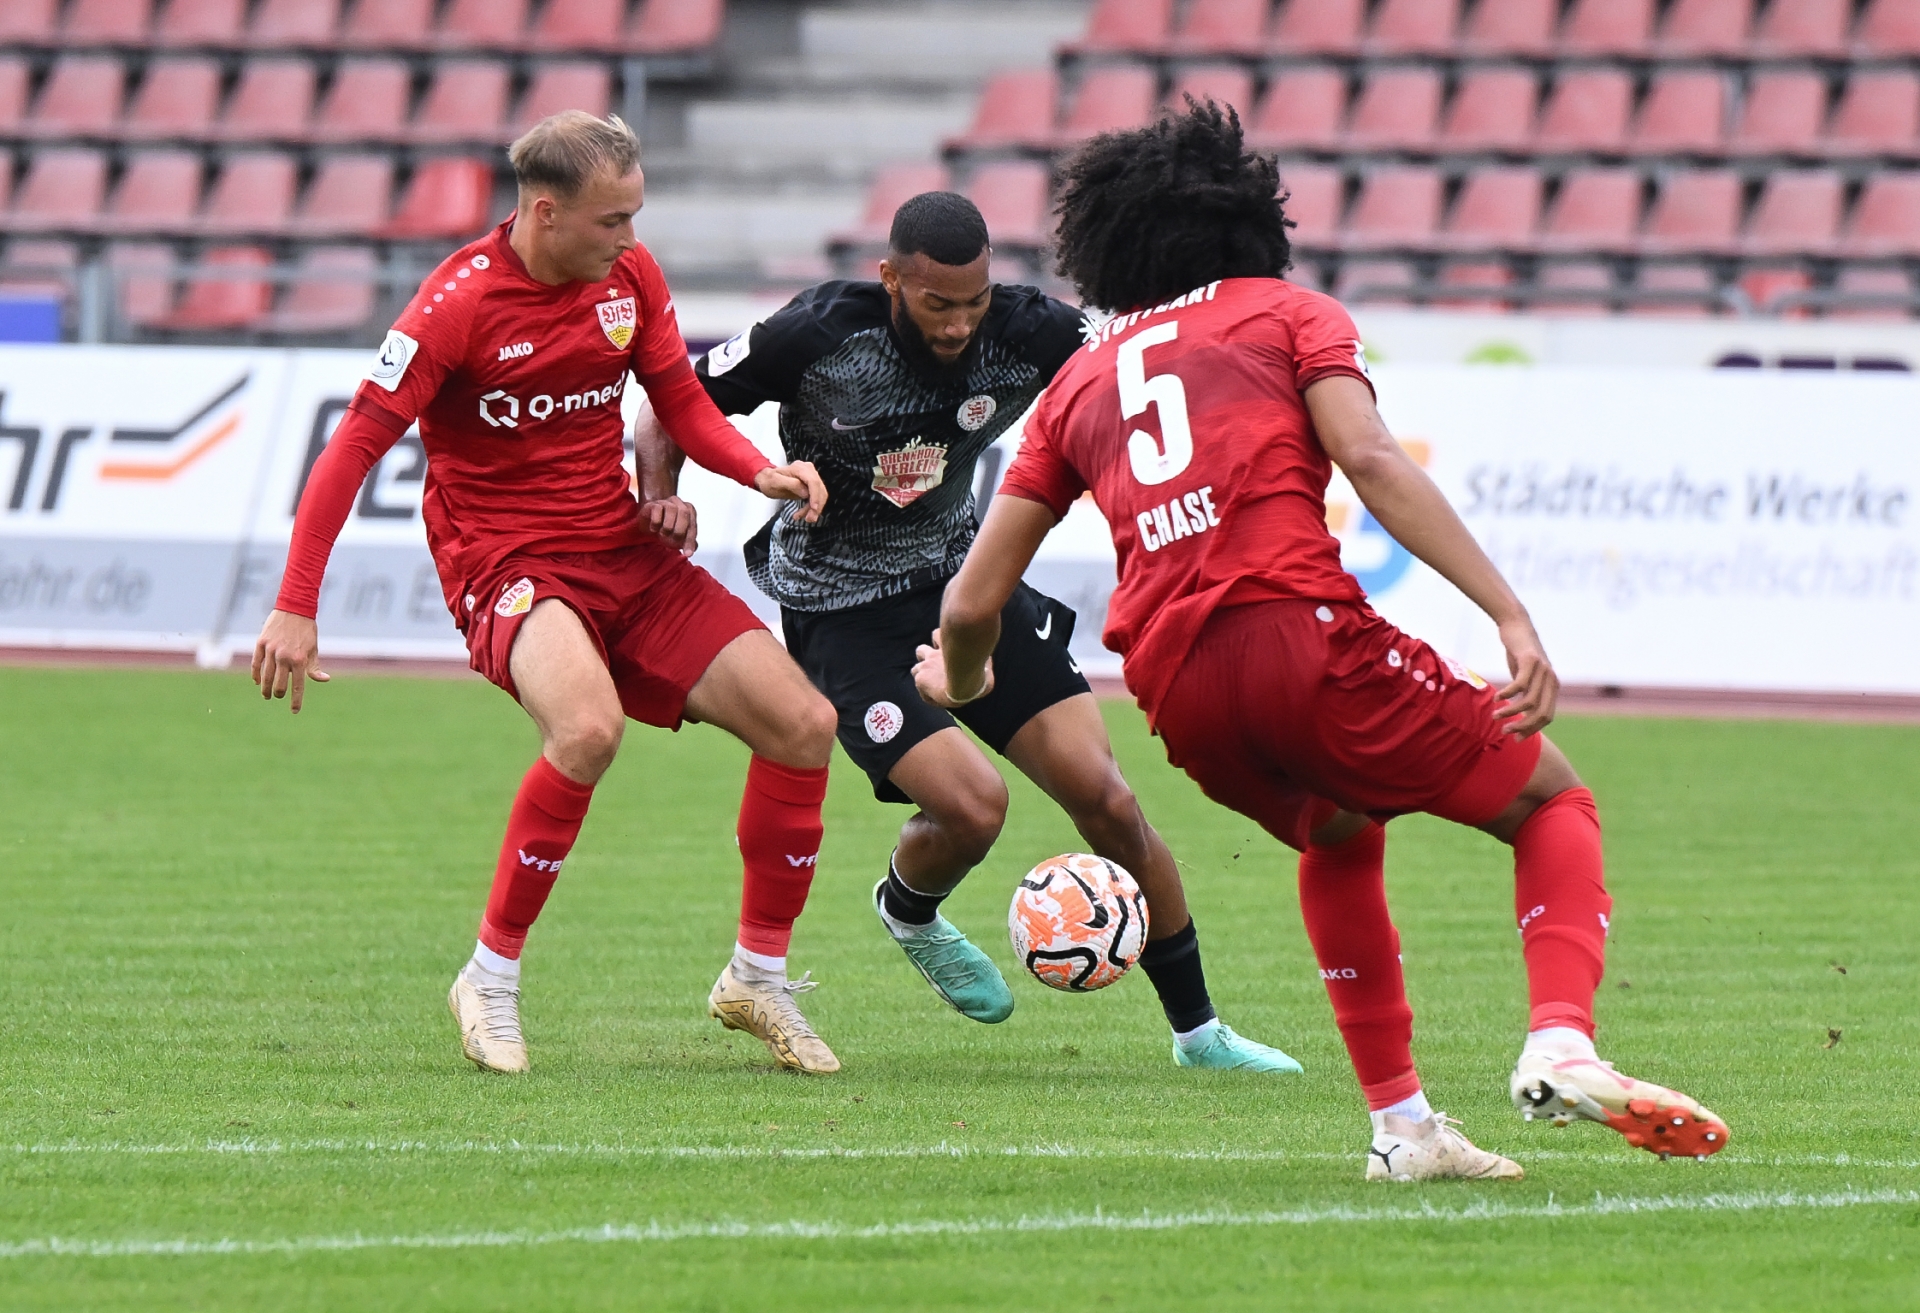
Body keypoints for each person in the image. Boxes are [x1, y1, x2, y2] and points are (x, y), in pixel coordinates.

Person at [915, 103, 1731, 1180]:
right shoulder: (1288, 312)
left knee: (1339, 832)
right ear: (1249, 218)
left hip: (1174, 688)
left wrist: (963, 680)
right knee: (1552, 801)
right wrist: (1508, 611)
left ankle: (1404, 1128)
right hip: (1296, 634)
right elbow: (1373, 461)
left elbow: (972, 603)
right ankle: (1562, 1042)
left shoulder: (1079, 380)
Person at [634, 191, 1301, 1072]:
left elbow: (1135, 372)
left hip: (965, 587)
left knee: (1107, 798)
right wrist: (661, 493)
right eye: (937, 303)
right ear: (891, 279)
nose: (958, 324)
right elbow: (668, 405)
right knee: (975, 806)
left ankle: (1200, 1034)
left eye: (974, 302)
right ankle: (910, 909)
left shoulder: (1031, 330)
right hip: (841, 611)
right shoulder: (819, 331)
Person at [251, 111, 851, 1077]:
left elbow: (679, 401)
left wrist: (757, 471)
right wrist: (295, 600)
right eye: (613, 220)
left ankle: (757, 979)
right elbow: (353, 447)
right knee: (587, 729)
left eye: (635, 216)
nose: (630, 237)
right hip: (507, 562)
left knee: (804, 723)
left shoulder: (629, 278)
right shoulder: (455, 305)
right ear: (545, 213)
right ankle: (488, 979)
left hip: (619, 549)